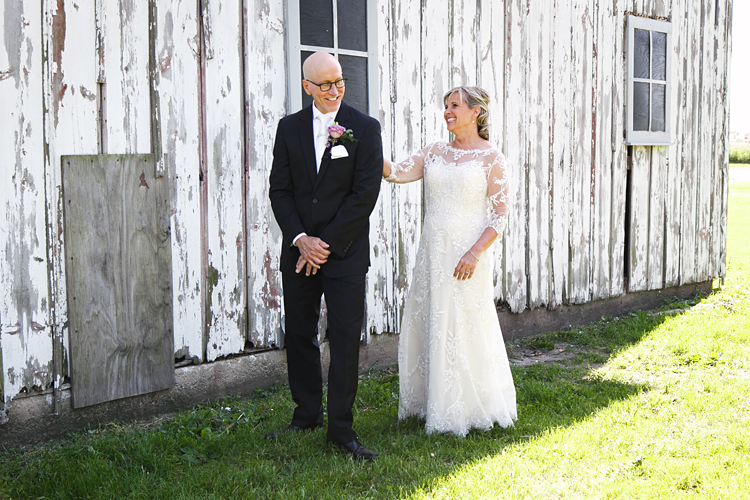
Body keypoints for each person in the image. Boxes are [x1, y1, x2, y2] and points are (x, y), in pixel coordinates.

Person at [382, 86, 517, 436]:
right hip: (433, 255)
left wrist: (474, 252)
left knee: (465, 326)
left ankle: (469, 406)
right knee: (432, 321)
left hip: (467, 256)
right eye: (445, 106)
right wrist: (362, 145)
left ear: (476, 112)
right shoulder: (434, 152)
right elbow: (394, 172)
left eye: (454, 105)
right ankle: (430, 402)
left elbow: (500, 214)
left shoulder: (492, 158)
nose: (447, 112)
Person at [268, 52, 383, 460]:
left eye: (340, 82)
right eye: (325, 84)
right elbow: (279, 189)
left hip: (345, 253)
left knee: (345, 340)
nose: (335, 90)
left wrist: (325, 245)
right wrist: (301, 239)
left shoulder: (365, 129)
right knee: (300, 334)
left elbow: (363, 196)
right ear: (307, 88)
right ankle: (306, 415)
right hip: (299, 252)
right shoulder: (289, 128)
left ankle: (341, 429)